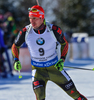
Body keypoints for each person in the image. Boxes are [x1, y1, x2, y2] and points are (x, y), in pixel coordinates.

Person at [11, 5, 87, 100]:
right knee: (40, 97)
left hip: (54, 68)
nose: (31, 21)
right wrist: (16, 59)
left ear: (41, 18)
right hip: (38, 71)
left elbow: (65, 44)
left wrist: (62, 59)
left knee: (75, 95)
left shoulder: (54, 30)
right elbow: (15, 45)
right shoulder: (25, 31)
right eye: (30, 18)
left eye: (34, 18)